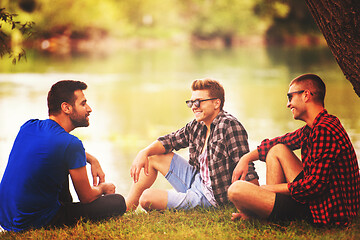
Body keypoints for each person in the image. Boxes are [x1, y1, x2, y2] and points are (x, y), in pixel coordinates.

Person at [228, 73, 360, 227]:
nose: (288, 104)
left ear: (306, 95)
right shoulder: (317, 127)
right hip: (318, 202)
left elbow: (313, 186)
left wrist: (266, 190)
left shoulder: (324, 130)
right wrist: (246, 158)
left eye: (290, 97)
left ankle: (265, 214)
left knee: (236, 190)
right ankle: (265, 212)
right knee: (277, 150)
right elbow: (280, 141)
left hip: (326, 212)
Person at [0, 80, 126, 232]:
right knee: (117, 202)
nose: (89, 109)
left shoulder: (29, 126)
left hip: (7, 219)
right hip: (34, 222)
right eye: (83, 104)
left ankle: (64, 206)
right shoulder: (71, 144)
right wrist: (103, 187)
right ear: (66, 107)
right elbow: (87, 197)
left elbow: (54, 148)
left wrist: (91, 159)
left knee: (59, 162)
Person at [126, 78, 259, 211]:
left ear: (216, 103)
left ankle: (182, 203)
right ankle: (127, 208)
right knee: (152, 156)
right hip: (197, 180)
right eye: (191, 102)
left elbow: (247, 168)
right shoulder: (198, 125)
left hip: (212, 198)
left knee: (147, 198)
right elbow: (170, 141)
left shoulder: (229, 126)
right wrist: (143, 152)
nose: (194, 106)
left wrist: (255, 205)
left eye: (198, 102)